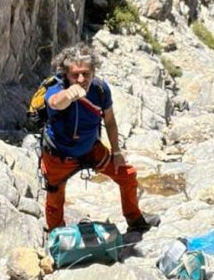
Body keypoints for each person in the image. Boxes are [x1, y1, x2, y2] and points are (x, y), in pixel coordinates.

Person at [41, 42, 160, 234]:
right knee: (55, 197)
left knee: (127, 175)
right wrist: (69, 95)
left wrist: (117, 152)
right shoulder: (56, 89)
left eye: (86, 73)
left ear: (93, 72)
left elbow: (110, 121)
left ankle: (135, 218)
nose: (81, 79)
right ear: (66, 74)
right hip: (59, 155)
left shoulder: (100, 90)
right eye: (75, 75)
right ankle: (57, 236)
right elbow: (55, 103)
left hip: (90, 149)